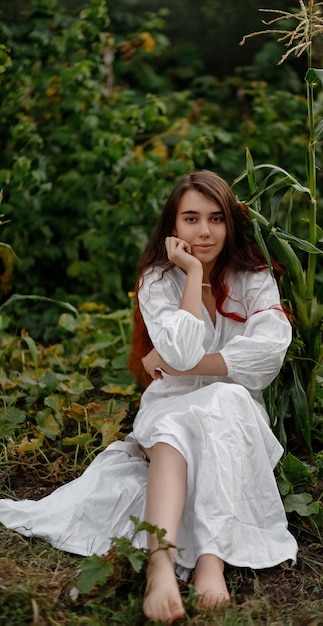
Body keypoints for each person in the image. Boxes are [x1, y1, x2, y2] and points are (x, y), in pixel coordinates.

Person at [0, 170, 297, 624]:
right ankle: (161, 566)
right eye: (191, 218)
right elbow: (178, 349)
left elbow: (266, 355)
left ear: (230, 224)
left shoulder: (253, 277)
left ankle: (209, 562)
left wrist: (185, 364)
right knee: (176, 426)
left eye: (215, 219)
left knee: (225, 401)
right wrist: (194, 274)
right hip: (172, 404)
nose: (203, 231)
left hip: (234, 409)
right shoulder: (159, 279)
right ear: (173, 227)